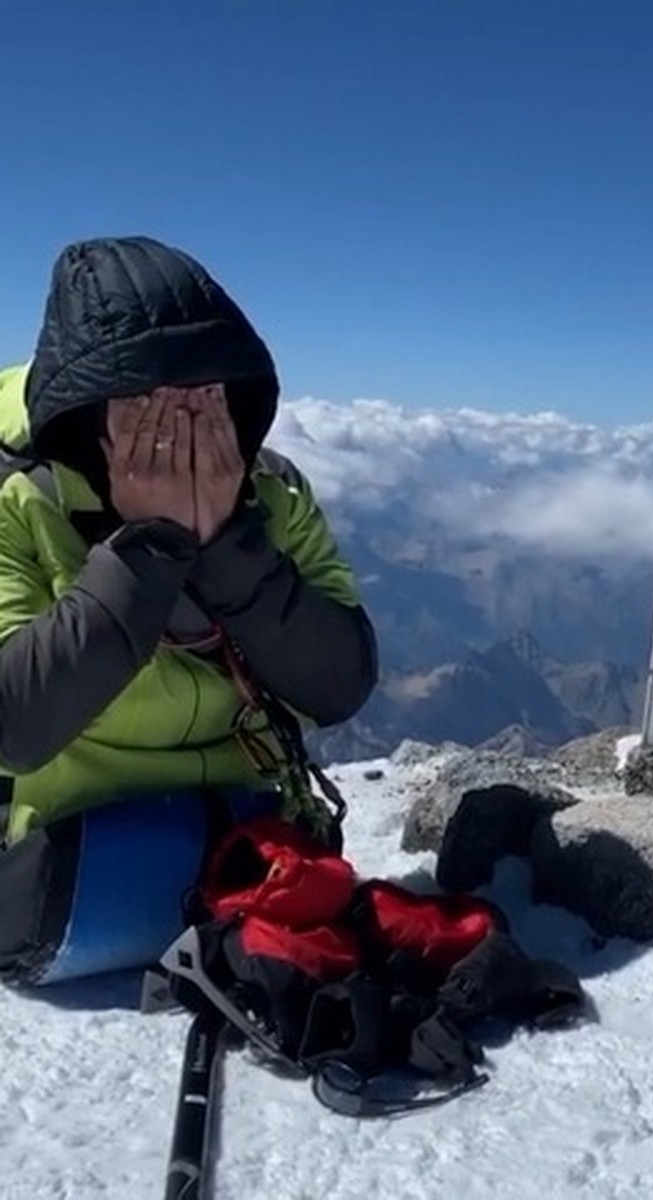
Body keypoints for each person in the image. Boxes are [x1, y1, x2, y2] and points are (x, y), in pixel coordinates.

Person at [0, 235, 378, 983]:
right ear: (85, 417)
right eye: (143, 406)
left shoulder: (272, 496)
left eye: (207, 400)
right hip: (58, 847)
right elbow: (16, 724)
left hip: (246, 838)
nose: (181, 429)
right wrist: (149, 551)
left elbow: (339, 684)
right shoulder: (19, 503)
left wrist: (229, 549)